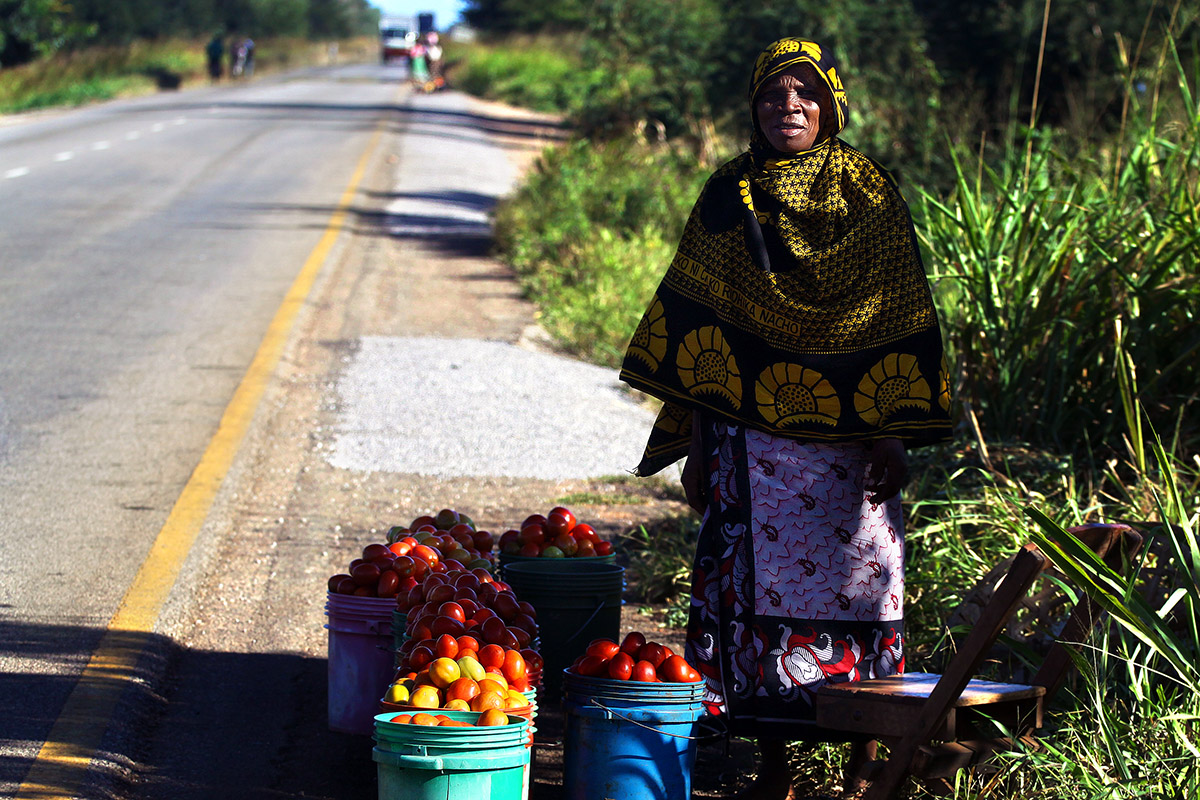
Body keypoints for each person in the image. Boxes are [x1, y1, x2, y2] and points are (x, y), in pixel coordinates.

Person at [619, 37, 953, 800]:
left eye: (805, 93)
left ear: (831, 102)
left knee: (863, 588)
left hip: (852, 449)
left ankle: (863, 767)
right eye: (774, 93)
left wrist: (891, 430)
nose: (789, 107)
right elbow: (704, 331)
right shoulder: (728, 193)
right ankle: (773, 769)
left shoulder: (867, 189)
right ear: (754, 105)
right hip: (749, 444)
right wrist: (697, 450)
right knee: (755, 607)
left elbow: (895, 316)